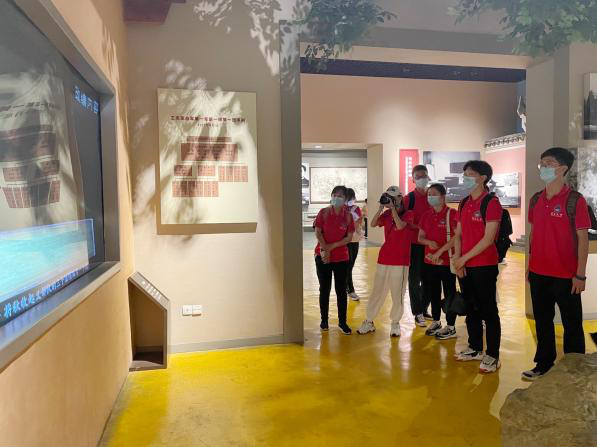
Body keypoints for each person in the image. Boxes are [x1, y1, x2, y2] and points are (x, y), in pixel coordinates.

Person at [522, 147, 590, 381]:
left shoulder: (575, 201)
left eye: (549, 163)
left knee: (572, 324)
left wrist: (580, 275)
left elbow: (583, 239)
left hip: (566, 276)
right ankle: (543, 363)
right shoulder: (535, 199)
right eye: (542, 163)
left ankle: (574, 368)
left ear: (563, 169)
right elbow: (533, 234)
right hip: (538, 273)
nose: (543, 167)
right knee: (542, 321)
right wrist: (529, 265)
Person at [453, 160, 503, 374]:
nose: (465, 177)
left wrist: (463, 259)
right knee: (471, 307)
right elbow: (458, 235)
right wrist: (458, 260)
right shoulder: (464, 202)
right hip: (465, 264)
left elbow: (488, 239)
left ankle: (492, 354)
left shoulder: (491, 203)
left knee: (488, 310)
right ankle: (475, 347)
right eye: (465, 174)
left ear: (483, 178)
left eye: (470, 174)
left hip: (484, 265)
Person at [357, 186, 414, 337]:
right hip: (384, 257)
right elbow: (372, 223)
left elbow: (400, 226)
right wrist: (381, 208)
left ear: (400, 198)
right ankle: (369, 321)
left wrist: (393, 209)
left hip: (400, 260)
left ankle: (395, 323)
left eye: (392, 197)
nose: (390, 200)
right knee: (377, 291)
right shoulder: (387, 214)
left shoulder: (409, 214)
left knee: (397, 293)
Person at [418, 184, 459, 339]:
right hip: (430, 262)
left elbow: (457, 237)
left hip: (447, 262)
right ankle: (436, 321)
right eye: (429, 194)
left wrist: (440, 251)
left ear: (443, 197)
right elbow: (420, 237)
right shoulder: (426, 215)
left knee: (449, 292)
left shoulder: (452, 214)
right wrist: (428, 242)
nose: (430, 197)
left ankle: (451, 325)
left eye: (434, 194)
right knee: (433, 292)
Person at [314, 185, 355, 335]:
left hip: (341, 258)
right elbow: (318, 232)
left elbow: (348, 238)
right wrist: (325, 249)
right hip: (323, 256)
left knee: (341, 290)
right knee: (324, 289)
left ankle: (342, 322)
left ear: (345, 199)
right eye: (334, 195)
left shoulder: (348, 216)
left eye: (340, 196)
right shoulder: (323, 213)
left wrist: (331, 247)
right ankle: (324, 320)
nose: (336, 198)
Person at [403, 165, 432, 327]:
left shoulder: (433, 196)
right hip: (414, 245)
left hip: (431, 245)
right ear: (413, 179)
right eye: (418, 176)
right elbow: (404, 222)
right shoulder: (409, 199)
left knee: (429, 280)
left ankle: (424, 307)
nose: (422, 179)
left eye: (424, 176)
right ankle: (417, 311)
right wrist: (421, 228)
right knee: (414, 280)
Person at [345, 188, 363, 301]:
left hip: (355, 240)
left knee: (351, 265)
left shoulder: (356, 208)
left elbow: (359, 222)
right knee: (348, 265)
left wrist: (356, 220)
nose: (351, 199)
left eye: (352, 197)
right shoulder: (341, 208)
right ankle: (350, 290)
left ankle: (346, 286)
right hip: (345, 240)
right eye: (349, 197)